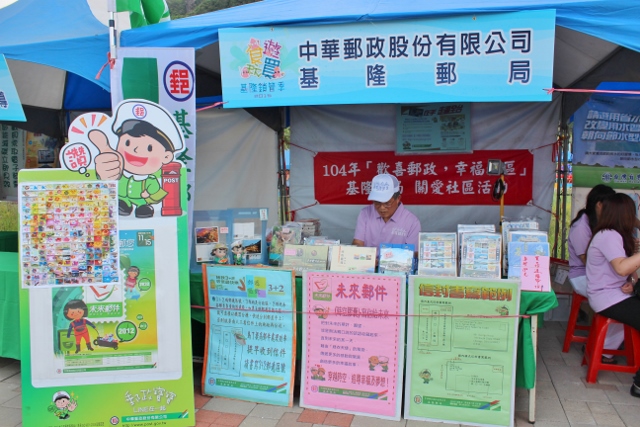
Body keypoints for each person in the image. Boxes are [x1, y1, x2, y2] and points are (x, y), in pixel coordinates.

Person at [89, 100, 184, 219]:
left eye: (149, 148)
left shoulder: (150, 180)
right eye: (127, 143)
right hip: (121, 200)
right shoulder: (119, 171)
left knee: (143, 207)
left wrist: (149, 196)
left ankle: (143, 208)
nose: (135, 150)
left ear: (166, 157)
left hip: (142, 201)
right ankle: (124, 204)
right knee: (120, 203)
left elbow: (158, 193)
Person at [586, 192, 640, 397]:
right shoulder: (609, 235)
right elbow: (621, 268)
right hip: (607, 298)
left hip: (617, 293)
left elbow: (626, 272)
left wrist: (632, 282)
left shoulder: (614, 234)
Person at [568, 184, 623, 362]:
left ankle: (605, 346)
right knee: (623, 299)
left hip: (597, 277)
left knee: (626, 299)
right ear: (599, 204)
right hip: (583, 277)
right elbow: (589, 263)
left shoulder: (599, 224)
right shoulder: (581, 227)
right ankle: (603, 348)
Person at [352, 173, 420, 250]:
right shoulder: (365, 213)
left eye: (387, 203)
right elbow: (358, 243)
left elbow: (412, 253)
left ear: (398, 198)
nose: (382, 208)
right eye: (377, 202)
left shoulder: (411, 222)